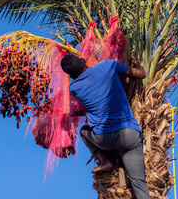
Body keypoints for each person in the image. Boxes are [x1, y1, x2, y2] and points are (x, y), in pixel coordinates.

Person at [60, 54, 151, 199]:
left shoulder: (74, 89)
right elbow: (141, 74)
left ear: (71, 76)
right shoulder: (107, 65)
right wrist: (137, 64)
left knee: (84, 132)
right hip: (130, 135)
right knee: (139, 183)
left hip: (104, 139)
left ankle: (104, 160)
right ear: (83, 60)